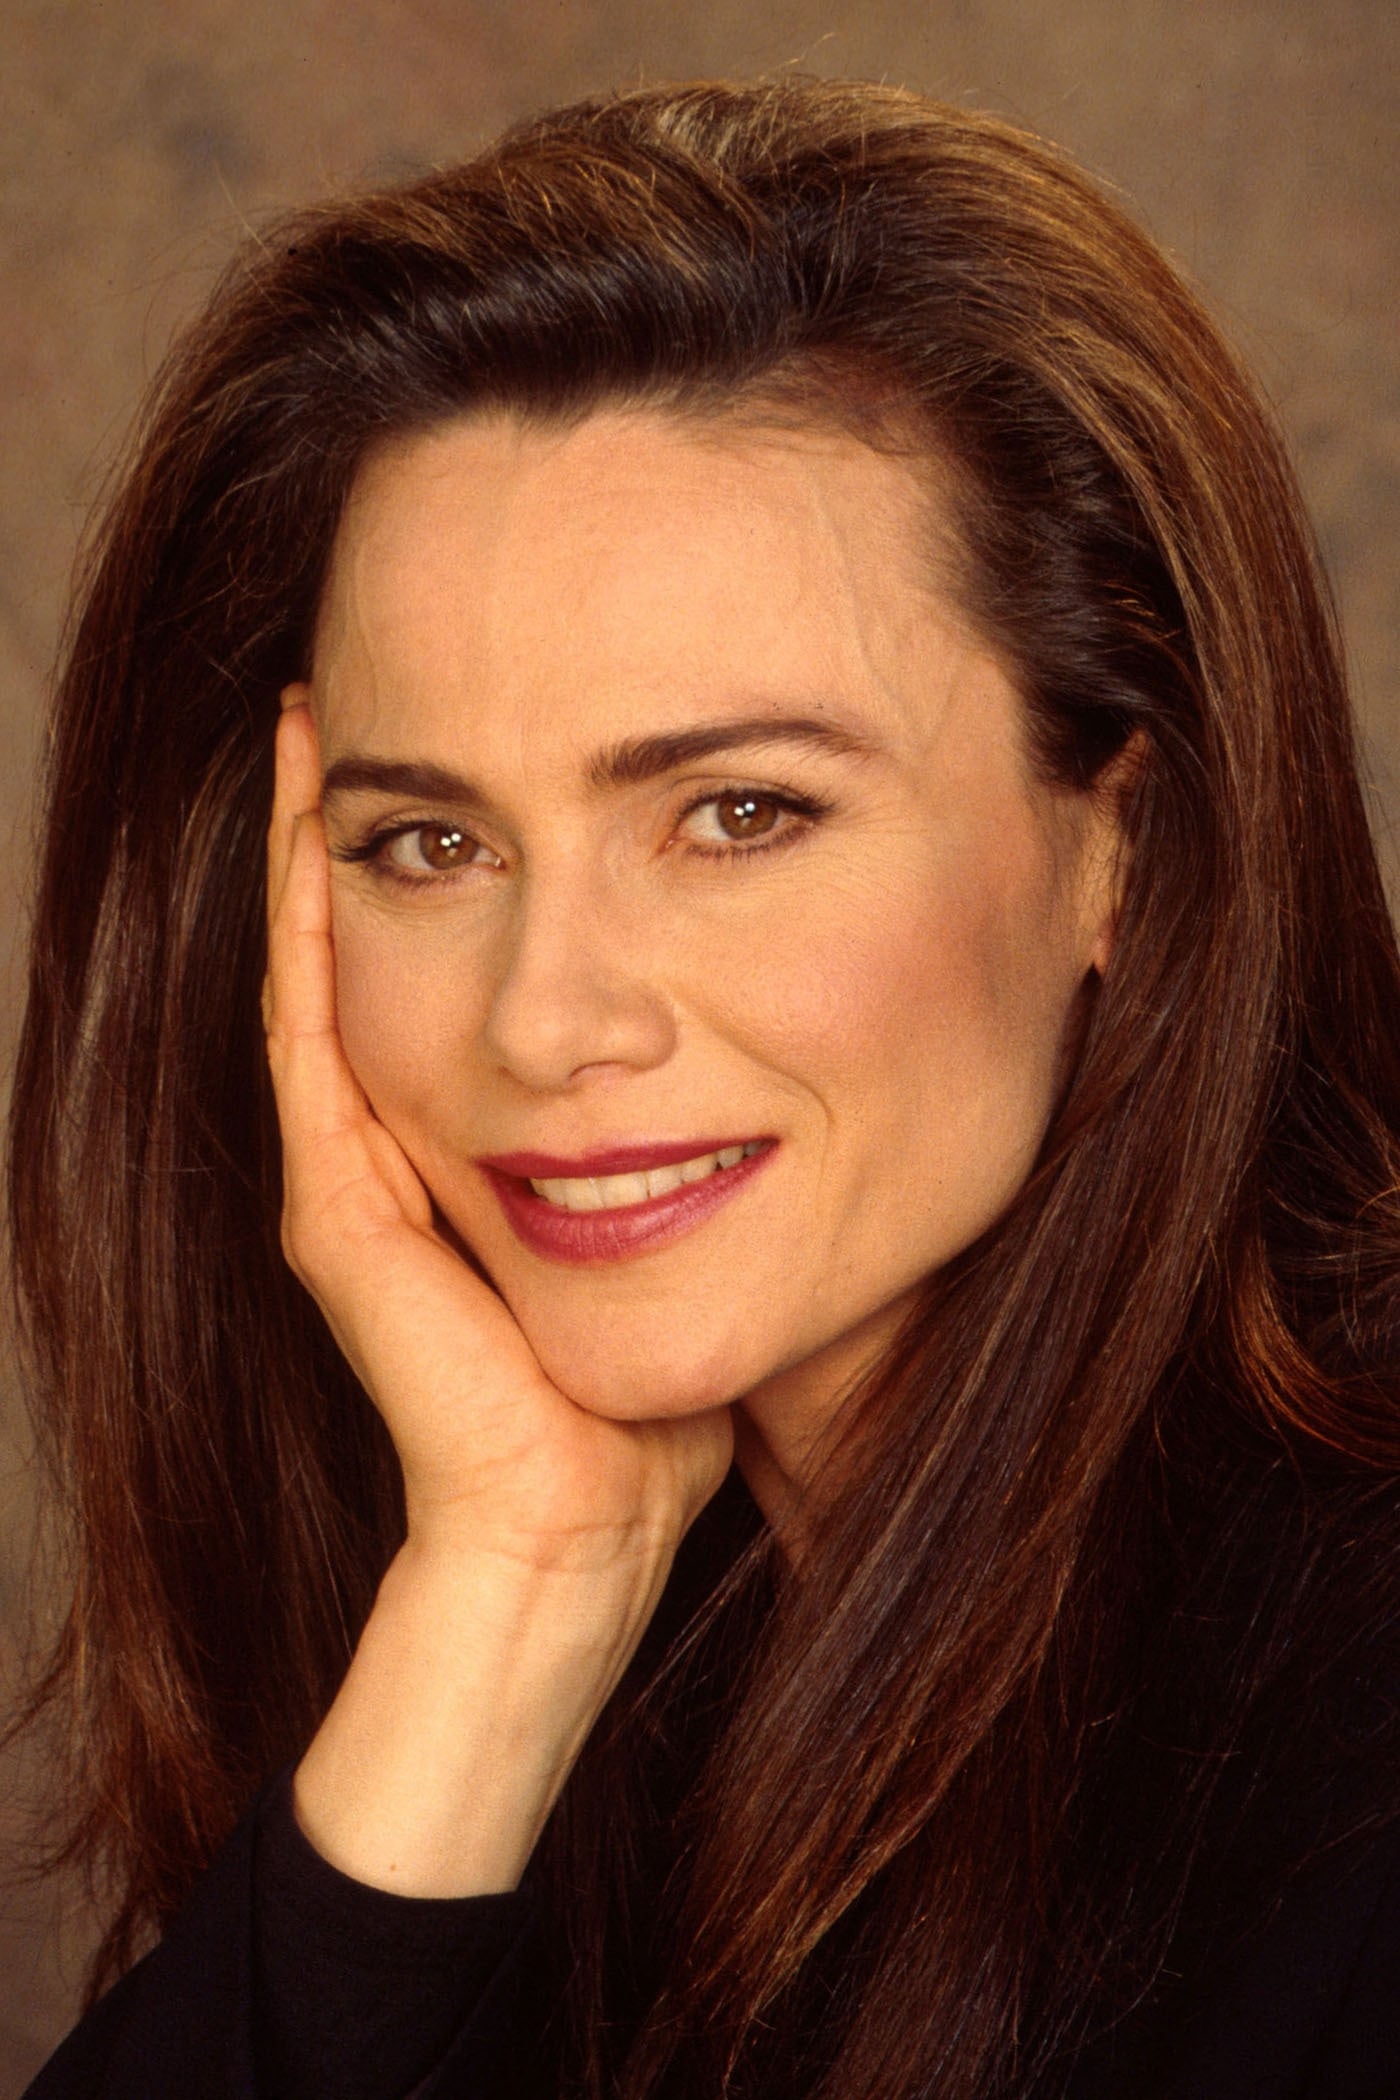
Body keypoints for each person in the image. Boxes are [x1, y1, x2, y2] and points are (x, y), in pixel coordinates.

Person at [10, 73, 1400, 2100]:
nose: (543, 1021)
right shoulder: (639, 1677)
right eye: (428, 843)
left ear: (1128, 842)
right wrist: (512, 1592)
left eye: (740, 813)